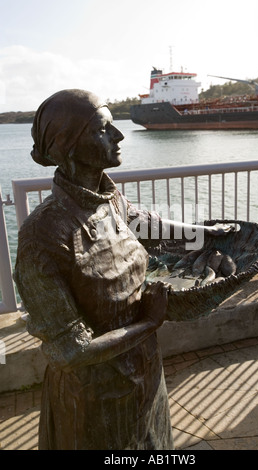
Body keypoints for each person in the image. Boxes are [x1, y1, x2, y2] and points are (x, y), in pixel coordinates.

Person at [14, 89, 232, 450]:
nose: (118, 135)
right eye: (103, 129)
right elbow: (71, 350)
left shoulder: (111, 200)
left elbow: (147, 224)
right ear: (69, 145)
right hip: (91, 400)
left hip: (145, 373)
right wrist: (149, 322)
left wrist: (206, 235)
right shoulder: (43, 235)